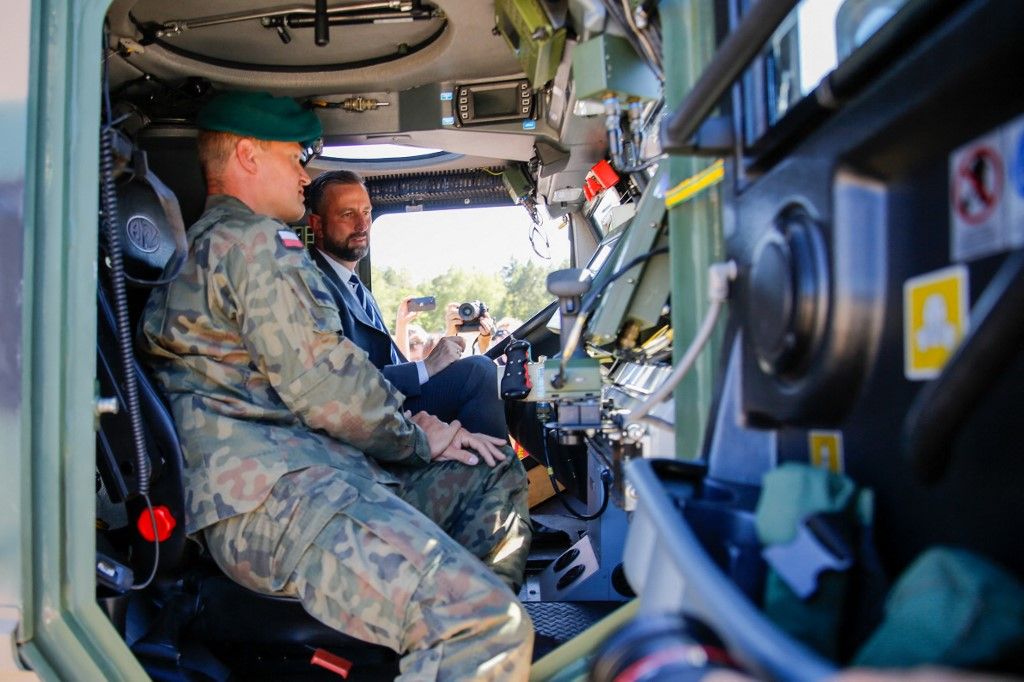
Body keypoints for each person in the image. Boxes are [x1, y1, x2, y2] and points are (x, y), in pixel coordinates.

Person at [137, 91, 533, 681]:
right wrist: (421, 437)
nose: (305, 173)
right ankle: (466, 636)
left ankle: (436, 635)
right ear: (247, 155)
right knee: (484, 624)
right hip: (277, 503)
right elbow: (328, 385)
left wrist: (418, 431)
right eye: (295, 157)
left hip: (302, 482)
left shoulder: (209, 246)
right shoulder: (252, 243)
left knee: (492, 470)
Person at [305, 170, 508, 439]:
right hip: (369, 413)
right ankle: (499, 478)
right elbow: (341, 384)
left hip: (390, 399)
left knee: (500, 374)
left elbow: (388, 362)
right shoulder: (312, 285)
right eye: (347, 214)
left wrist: (438, 361)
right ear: (317, 225)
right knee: (479, 373)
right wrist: (426, 367)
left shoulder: (354, 285)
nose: (363, 225)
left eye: (366, 212)